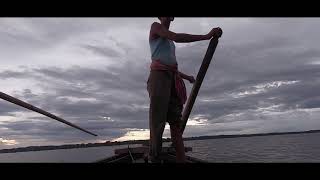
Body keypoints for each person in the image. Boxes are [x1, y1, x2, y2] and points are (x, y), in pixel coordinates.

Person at [147, 17, 222, 163]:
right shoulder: (155, 27)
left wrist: (187, 77)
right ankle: (154, 157)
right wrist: (206, 36)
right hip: (159, 77)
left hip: (172, 78)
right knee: (158, 122)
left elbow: (171, 65)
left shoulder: (169, 43)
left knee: (176, 122)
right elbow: (176, 37)